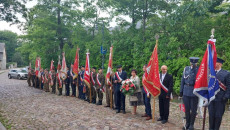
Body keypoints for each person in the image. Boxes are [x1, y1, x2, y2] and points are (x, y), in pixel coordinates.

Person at [208, 58, 230, 130]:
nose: (214, 64)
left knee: (218, 116)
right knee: (211, 115)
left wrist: (226, 97)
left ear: (220, 64)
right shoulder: (211, 73)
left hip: (220, 99)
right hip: (211, 98)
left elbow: (229, 86)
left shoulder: (226, 73)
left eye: (216, 62)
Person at [180, 57, 199, 130]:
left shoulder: (198, 69)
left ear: (196, 63)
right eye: (192, 63)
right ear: (190, 62)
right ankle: (187, 123)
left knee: (193, 110)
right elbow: (183, 80)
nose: (193, 64)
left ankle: (191, 124)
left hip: (194, 91)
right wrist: (181, 91)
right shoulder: (186, 68)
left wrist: (194, 68)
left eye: (194, 63)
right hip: (186, 90)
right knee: (187, 109)